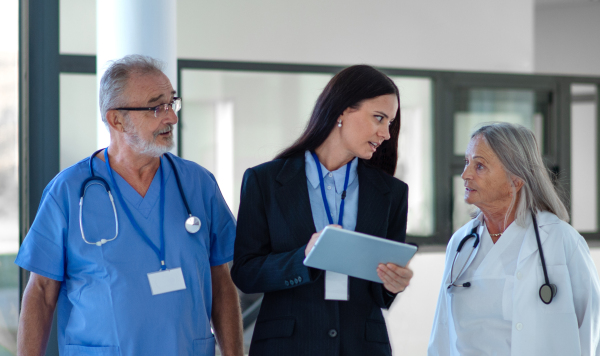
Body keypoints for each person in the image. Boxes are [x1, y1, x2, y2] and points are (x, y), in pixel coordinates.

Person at [15, 55, 243, 356]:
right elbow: (41, 293)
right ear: (116, 120)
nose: (171, 117)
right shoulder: (68, 192)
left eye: (171, 103)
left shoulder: (198, 184)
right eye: (155, 106)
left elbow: (221, 283)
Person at [230, 65, 414, 356]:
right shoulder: (265, 182)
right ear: (342, 110)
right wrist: (304, 256)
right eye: (379, 118)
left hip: (362, 347)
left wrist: (392, 284)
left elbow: (379, 296)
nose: (386, 133)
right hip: (287, 346)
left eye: (390, 122)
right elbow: (245, 273)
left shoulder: (391, 193)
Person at [428, 122, 600, 355]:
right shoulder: (461, 242)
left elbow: (591, 329)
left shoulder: (561, 240)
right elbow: (442, 331)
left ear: (516, 180)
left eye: (479, 166)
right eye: (467, 162)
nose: (465, 174)